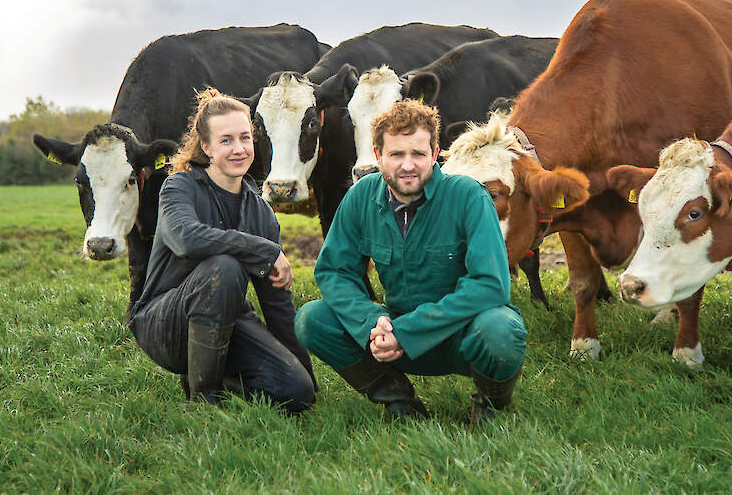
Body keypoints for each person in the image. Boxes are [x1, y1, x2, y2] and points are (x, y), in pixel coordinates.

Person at [295, 99, 527, 425]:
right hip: (390, 338)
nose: (407, 165)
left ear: (434, 154)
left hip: (461, 336)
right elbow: (335, 270)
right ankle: (399, 402)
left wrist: (407, 331)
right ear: (378, 156)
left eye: (418, 154)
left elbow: (490, 286)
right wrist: (372, 322)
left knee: (501, 330)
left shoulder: (469, 196)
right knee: (312, 319)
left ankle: (490, 404)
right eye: (396, 154)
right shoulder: (360, 197)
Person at [129, 88, 315, 413]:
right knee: (224, 267)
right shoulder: (179, 188)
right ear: (207, 147)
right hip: (164, 324)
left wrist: (307, 379)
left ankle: (219, 374)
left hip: (227, 318)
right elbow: (188, 239)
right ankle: (202, 399)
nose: (238, 149)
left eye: (245, 137)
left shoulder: (261, 212)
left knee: (295, 392)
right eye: (226, 140)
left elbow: (278, 307)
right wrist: (263, 249)